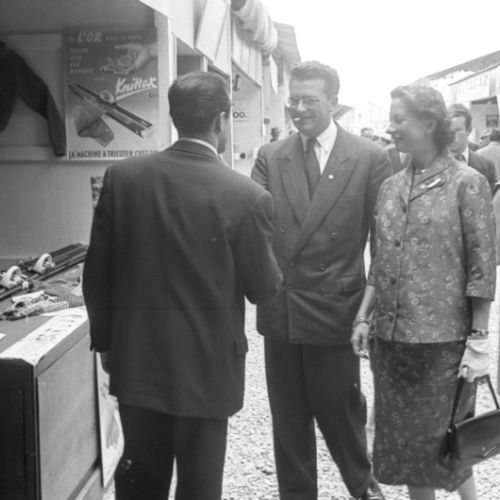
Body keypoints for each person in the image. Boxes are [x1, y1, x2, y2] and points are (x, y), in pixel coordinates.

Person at [83, 71, 282, 500]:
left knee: (140, 481)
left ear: (174, 117)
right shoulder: (246, 196)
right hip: (207, 370)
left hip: (138, 361)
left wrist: (108, 345)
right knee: (200, 486)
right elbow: (263, 289)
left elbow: (96, 273)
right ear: (221, 120)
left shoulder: (123, 178)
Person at [251, 60, 391, 500]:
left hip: (337, 310)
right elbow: (255, 230)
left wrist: (369, 313)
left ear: (334, 101)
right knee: (288, 424)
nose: (298, 109)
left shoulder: (369, 157)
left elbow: (383, 245)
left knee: (342, 415)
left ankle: (364, 489)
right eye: (293, 100)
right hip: (283, 308)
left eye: (309, 100)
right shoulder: (270, 156)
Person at [351, 85, 496, 500]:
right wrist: (363, 317)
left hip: (442, 346)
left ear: (429, 123)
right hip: (392, 345)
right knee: (409, 452)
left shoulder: (467, 183)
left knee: (447, 446)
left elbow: (482, 266)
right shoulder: (390, 187)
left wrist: (479, 340)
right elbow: (380, 261)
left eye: (400, 119)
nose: (391, 127)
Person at [448, 103, 497, 194]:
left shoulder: (486, 166)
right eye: (448, 131)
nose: (451, 136)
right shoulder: (432, 163)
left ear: (469, 131)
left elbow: (491, 200)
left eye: (457, 130)